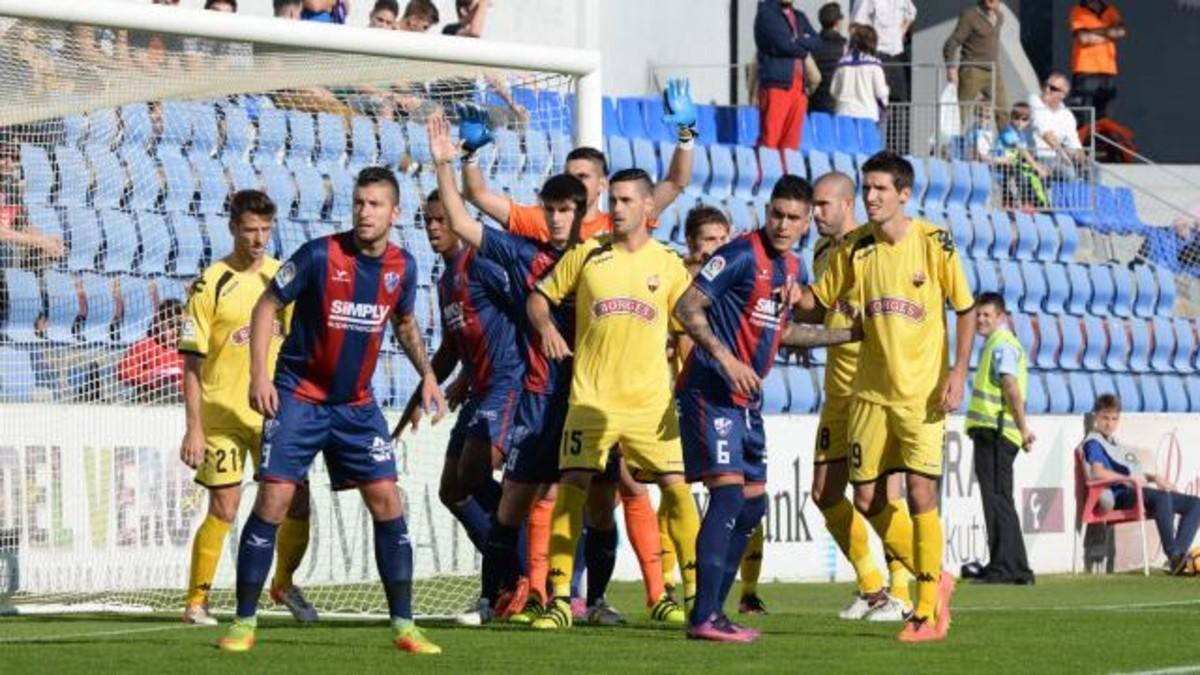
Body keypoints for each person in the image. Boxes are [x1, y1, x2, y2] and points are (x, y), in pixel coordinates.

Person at [218, 167, 446, 655]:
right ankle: (243, 621)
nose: (365, 212)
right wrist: (260, 374)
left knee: (388, 500)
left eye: (375, 204)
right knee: (274, 502)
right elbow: (266, 306)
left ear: (394, 213)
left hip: (357, 405)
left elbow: (404, 323)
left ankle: (404, 626)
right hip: (299, 396)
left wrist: (427, 372)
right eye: (360, 203)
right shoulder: (321, 254)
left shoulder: (402, 268)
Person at [674, 175, 860, 642]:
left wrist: (847, 335)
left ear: (804, 225)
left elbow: (784, 333)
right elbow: (686, 306)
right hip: (710, 390)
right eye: (777, 213)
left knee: (754, 507)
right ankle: (702, 616)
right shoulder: (738, 254)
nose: (783, 223)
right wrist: (726, 358)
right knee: (730, 496)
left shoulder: (791, 268)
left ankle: (714, 612)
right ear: (767, 212)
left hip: (746, 400)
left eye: (793, 217)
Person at [799, 151, 975, 643]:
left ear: (903, 194)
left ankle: (924, 609)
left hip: (922, 395)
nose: (872, 197)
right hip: (869, 395)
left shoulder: (934, 242)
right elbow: (819, 304)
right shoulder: (855, 248)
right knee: (868, 497)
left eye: (880, 189)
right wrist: (786, 298)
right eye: (867, 188)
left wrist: (958, 373)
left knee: (921, 493)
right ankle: (935, 573)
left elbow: (964, 308)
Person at [524, 168, 701, 631]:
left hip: (649, 404)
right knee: (573, 486)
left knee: (675, 487)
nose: (616, 209)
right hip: (592, 400)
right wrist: (544, 327)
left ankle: (698, 595)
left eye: (625, 201)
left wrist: (689, 379)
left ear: (647, 208)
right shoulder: (587, 254)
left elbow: (689, 327)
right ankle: (560, 600)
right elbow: (539, 298)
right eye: (614, 200)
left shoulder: (667, 264)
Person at [177, 190, 316, 626]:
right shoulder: (211, 282)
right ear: (233, 227)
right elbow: (192, 364)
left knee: (297, 503)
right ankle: (197, 601)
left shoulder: (281, 278)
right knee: (225, 508)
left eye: (265, 230)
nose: (258, 239)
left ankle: (284, 583)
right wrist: (194, 428)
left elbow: (300, 347)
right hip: (222, 416)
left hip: (275, 414)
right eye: (250, 230)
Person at [395, 186, 523, 582]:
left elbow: (525, 311)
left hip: (507, 382)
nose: (433, 228)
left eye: (441, 220)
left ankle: (525, 572)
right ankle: (509, 574)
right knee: (451, 489)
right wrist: (419, 398)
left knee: (473, 473)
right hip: (480, 389)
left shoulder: (482, 263)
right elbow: (450, 349)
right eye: (427, 221)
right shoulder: (447, 281)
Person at [808, 171, 912, 623]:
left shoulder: (873, 248)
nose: (815, 214)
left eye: (823, 205)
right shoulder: (821, 252)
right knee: (824, 492)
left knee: (882, 493)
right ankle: (872, 586)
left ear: (847, 203)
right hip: (836, 390)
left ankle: (907, 591)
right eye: (813, 205)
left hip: (872, 387)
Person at [461, 78, 696, 244]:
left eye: (583, 177)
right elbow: (477, 195)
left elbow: (676, 183)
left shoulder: (621, 224)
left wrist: (686, 132)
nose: (574, 182)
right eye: (570, 176)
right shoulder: (544, 221)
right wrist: (470, 153)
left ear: (603, 184)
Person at [1083, 394, 1200, 575]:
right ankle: (1173, 555)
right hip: (1119, 495)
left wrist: (1153, 478)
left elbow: (1131, 472)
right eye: (1105, 418)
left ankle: (1179, 557)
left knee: (1195, 504)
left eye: (1114, 419)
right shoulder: (1094, 443)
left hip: (1134, 490)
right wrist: (1128, 481)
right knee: (1162, 497)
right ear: (1096, 416)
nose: (1110, 423)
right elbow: (1097, 472)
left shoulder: (1114, 442)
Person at [965, 292, 1035, 585]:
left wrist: (1023, 429)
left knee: (996, 500)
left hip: (995, 431)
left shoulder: (1001, 345)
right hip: (996, 431)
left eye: (987, 315)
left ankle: (1005, 568)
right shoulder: (1000, 344)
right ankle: (1015, 567)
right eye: (978, 315)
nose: (980, 320)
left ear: (1001, 317)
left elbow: (1010, 386)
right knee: (1000, 499)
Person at [754, 0, 823, 149]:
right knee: (770, 140)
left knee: (791, 143)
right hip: (777, 84)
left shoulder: (799, 16)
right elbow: (781, 44)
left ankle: (786, 172)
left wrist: (795, 40)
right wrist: (803, 48)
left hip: (799, 87)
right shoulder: (766, 13)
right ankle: (766, 172)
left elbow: (818, 43)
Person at [850, 0, 917, 150]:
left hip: (895, 55)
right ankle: (870, 148)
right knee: (873, 103)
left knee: (899, 104)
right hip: (875, 54)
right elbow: (857, 24)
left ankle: (895, 151)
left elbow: (911, 13)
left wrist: (900, 33)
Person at [943, 0, 1009, 129]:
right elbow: (951, 44)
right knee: (960, 113)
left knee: (1003, 111)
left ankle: (1008, 147)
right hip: (972, 69)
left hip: (993, 69)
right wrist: (951, 68)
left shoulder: (1000, 17)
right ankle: (947, 147)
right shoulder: (970, 16)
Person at [117, 299, 185, 404]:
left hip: (185, 403)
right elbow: (123, 371)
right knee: (169, 389)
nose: (176, 331)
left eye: (180, 326)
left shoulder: (188, 349)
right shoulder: (147, 346)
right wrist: (150, 377)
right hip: (154, 402)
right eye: (171, 326)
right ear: (159, 324)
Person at [1068, 0, 1125, 123]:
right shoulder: (1078, 11)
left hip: (1107, 70)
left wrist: (1093, 32)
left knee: (1104, 114)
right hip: (1085, 68)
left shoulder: (1111, 10)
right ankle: (1080, 140)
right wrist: (1109, 34)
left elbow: (1121, 32)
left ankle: (1101, 141)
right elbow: (1084, 38)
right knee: (1081, 112)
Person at [1030, 73, 1090, 181]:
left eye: (1052, 88)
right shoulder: (1034, 101)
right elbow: (1045, 133)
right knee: (1069, 174)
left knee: (1093, 170)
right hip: (1036, 156)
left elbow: (1074, 142)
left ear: (1063, 94)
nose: (1047, 89)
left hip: (1058, 158)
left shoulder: (1067, 115)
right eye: (1045, 85)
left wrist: (1081, 158)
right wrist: (1063, 154)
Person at [991, 102, 1049, 210]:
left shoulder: (1021, 135)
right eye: (1016, 118)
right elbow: (1022, 151)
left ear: (1029, 121)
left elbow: (1024, 156)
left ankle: (1040, 204)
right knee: (1017, 173)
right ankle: (1016, 204)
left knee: (1036, 174)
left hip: (1012, 163)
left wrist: (1039, 167)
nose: (1019, 122)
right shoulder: (1008, 131)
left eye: (1024, 119)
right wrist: (1035, 166)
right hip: (1000, 163)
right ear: (1011, 117)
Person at [831, 24, 889, 123]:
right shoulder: (874, 64)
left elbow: (833, 91)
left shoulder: (842, 63)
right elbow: (881, 92)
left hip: (843, 114)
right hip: (867, 115)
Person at [808, 2, 848, 116]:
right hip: (838, 103)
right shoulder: (844, 46)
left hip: (815, 102)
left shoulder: (812, 45)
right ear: (837, 22)